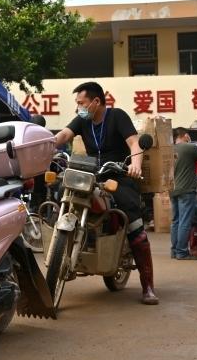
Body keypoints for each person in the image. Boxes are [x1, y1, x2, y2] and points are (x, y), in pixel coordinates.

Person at [53, 82, 158, 305]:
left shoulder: (117, 116)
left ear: (96, 102)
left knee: (133, 221)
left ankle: (147, 286)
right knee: (61, 191)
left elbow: (133, 142)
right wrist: (42, 146)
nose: (78, 108)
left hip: (119, 175)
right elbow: (63, 135)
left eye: (81, 103)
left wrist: (135, 165)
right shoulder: (83, 120)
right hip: (91, 175)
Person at [169, 128, 197, 260]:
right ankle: (182, 252)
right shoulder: (190, 147)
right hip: (186, 189)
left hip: (173, 189)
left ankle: (174, 251)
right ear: (185, 135)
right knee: (184, 221)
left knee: (176, 221)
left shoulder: (169, 149)